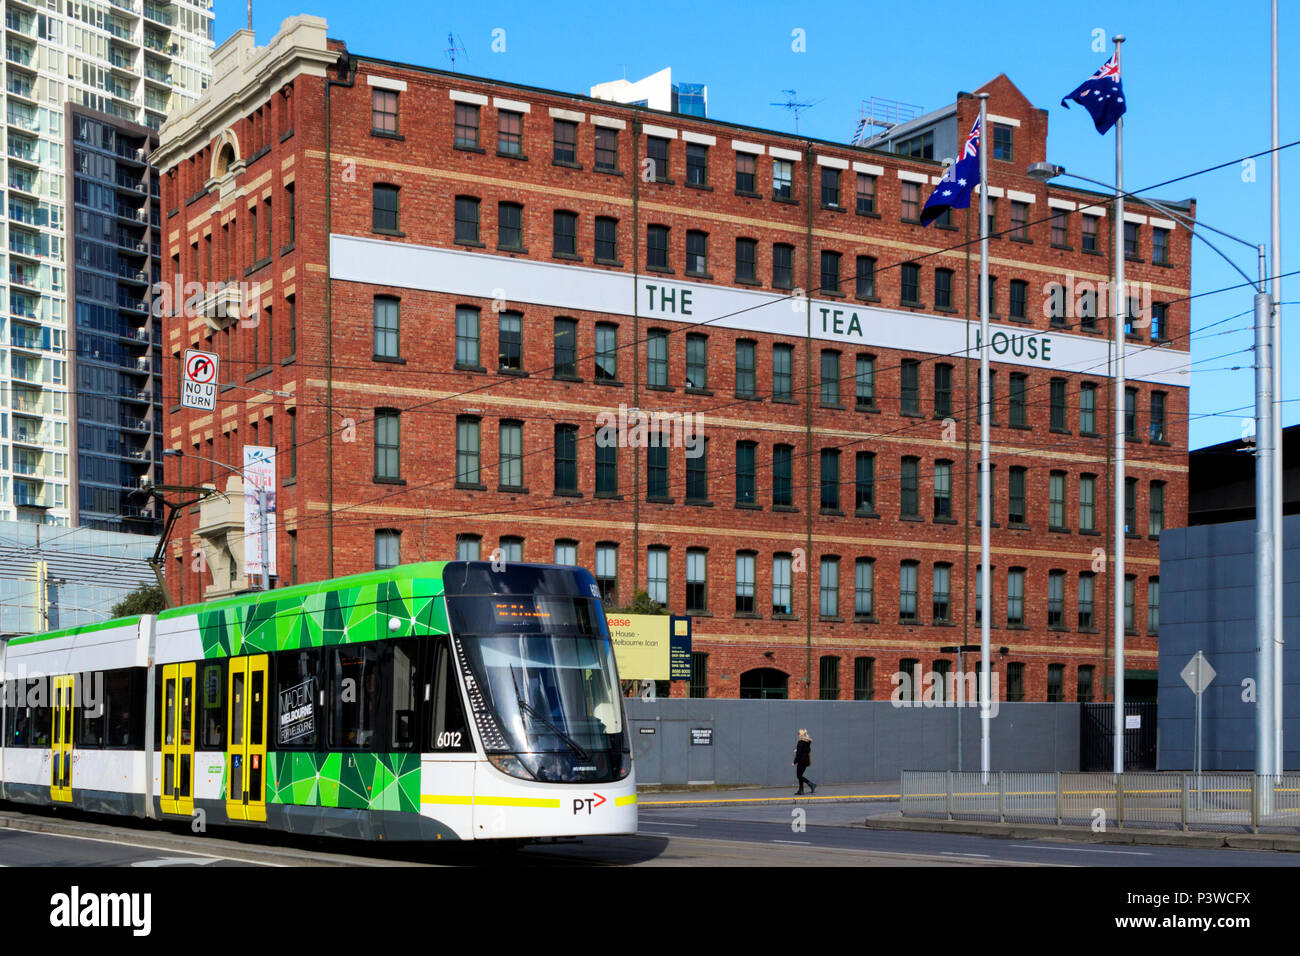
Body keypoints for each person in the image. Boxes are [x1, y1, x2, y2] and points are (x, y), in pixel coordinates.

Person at [793, 728, 816, 795]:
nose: (798, 735)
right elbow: (808, 752)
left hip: (801, 761)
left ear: (801, 734)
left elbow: (799, 753)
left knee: (799, 775)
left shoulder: (800, 742)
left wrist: (794, 762)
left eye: (798, 733)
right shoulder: (807, 742)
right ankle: (801, 790)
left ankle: (811, 784)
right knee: (800, 775)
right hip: (806, 761)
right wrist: (810, 760)